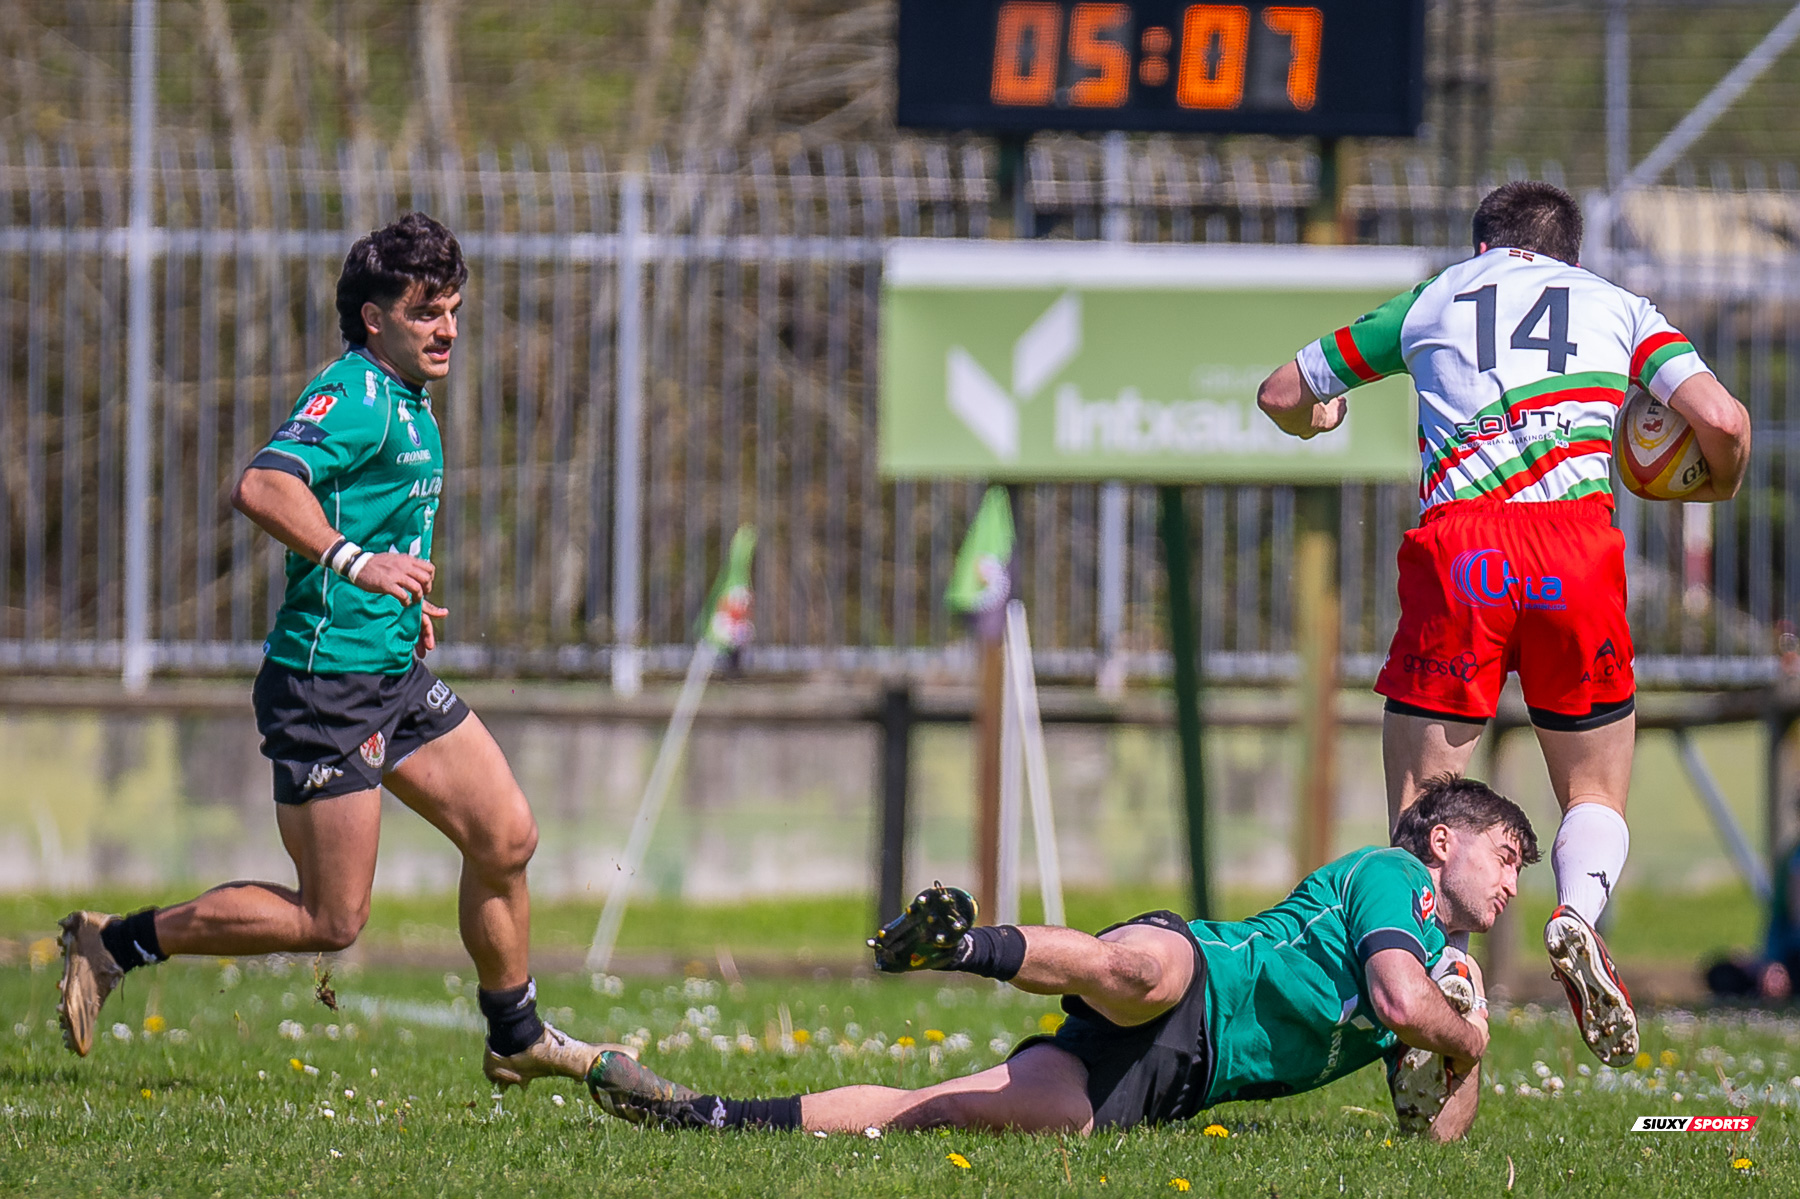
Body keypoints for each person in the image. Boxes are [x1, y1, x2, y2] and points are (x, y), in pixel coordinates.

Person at [57, 213, 622, 1088]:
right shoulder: (354, 393)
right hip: (326, 686)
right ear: (374, 316)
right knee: (332, 918)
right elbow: (262, 483)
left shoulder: (409, 399)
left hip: (389, 670)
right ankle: (114, 941)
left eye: (455, 309)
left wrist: (401, 602)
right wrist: (359, 566)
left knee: (506, 835)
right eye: (427, 310)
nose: (449, 329)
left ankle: (514, 1032)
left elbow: (373, 516)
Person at [1256, 181, 1752, 1065]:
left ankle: (1444, 969)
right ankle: (1577, 915)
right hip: (1575, 551)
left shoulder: (1434, 297)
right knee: (1595, 793)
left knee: (1423, 808)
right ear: (1568, 251)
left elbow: (1282, 389)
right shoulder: (1620, 306)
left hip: (1464, 551)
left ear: (1482, 244)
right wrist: (1713, 478)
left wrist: (1316, 417)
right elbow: (1722, 419)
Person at [585, 777, 1535, 1140]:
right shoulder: (1393, 877)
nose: (1513, 888)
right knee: (1133, 973)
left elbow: (1433, 1141)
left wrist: (1469, 1030)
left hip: (1180, 1079)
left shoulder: (1440, 963)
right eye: (1507, 856)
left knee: (960, 1109)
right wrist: (1458, 1031)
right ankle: (962, 943)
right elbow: (1403, 1004)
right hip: (1203, 974)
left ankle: (712, 1117)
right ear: (1444, 840)